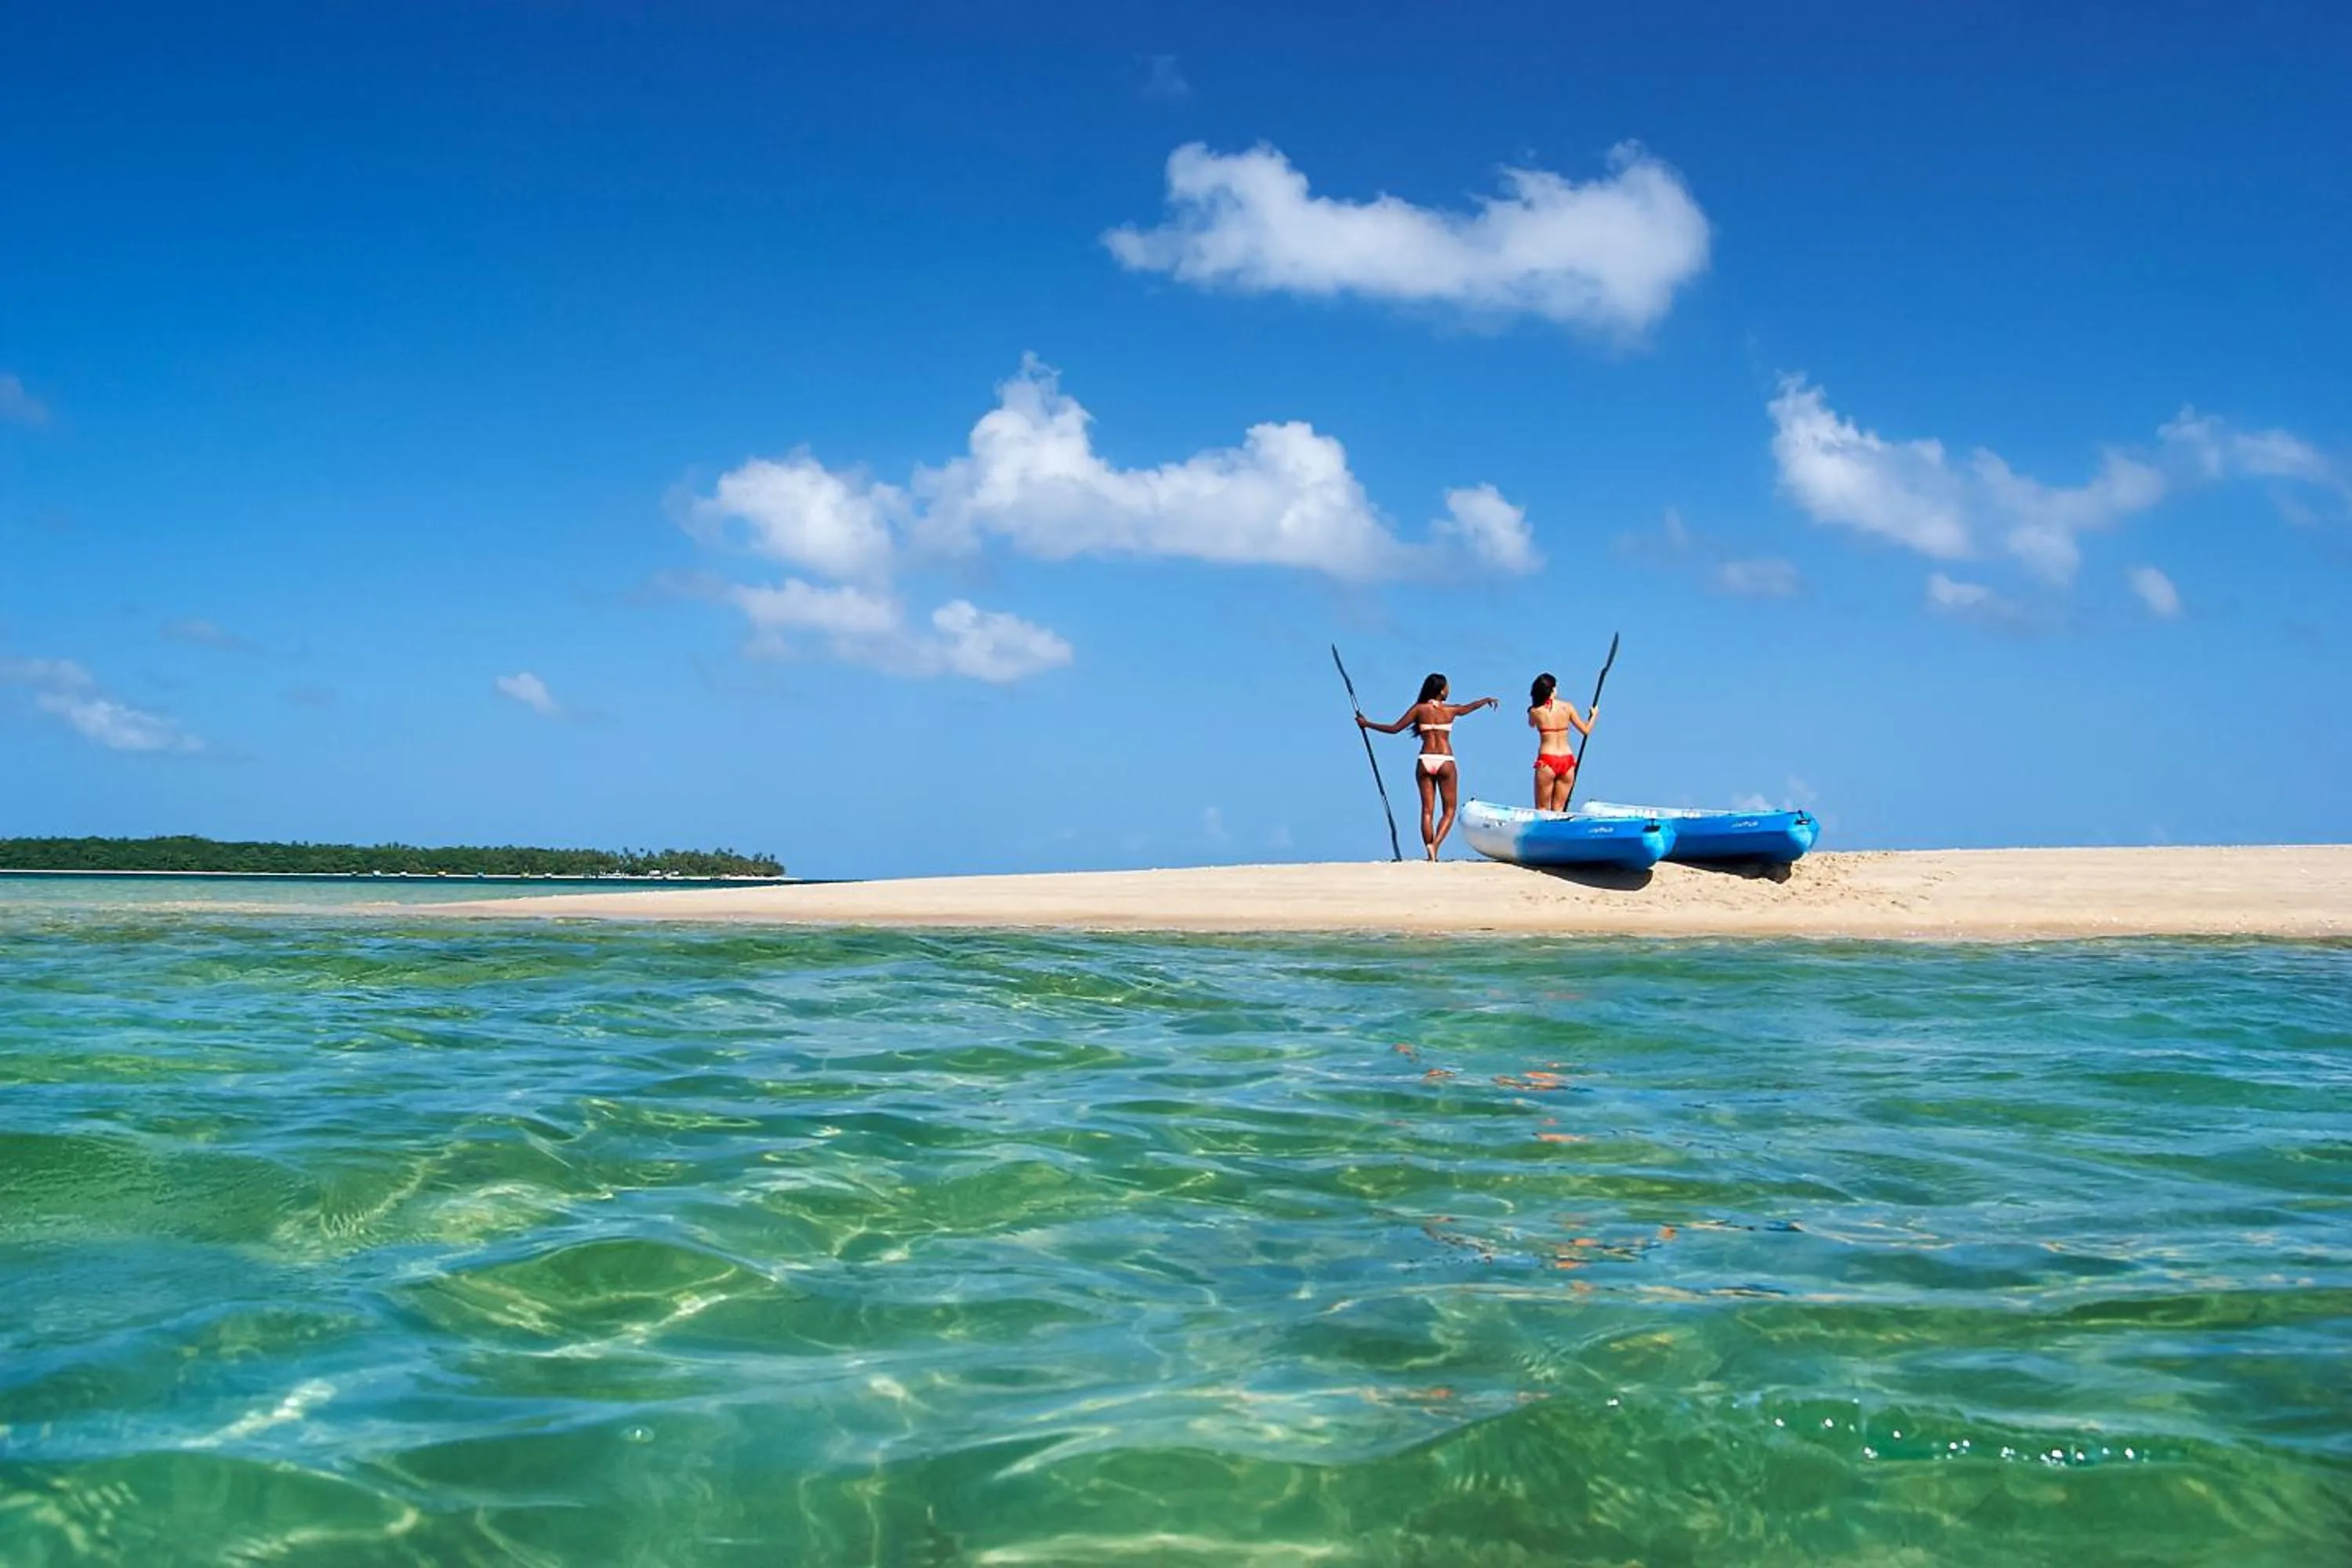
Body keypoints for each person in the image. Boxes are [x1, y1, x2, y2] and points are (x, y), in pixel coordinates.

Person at [1358, 673, 1498, 859]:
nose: (1449, 690)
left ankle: (1430, 852)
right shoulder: (1450, 711)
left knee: (1427, 810)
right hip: (1445, 760)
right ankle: (1435, 846)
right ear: (1441, 691)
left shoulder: (1419, 709)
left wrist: (1366, 724)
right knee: (1449, 810)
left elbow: (1394, 729)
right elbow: (1467, 708)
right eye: (1447, 687)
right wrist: (1486, 700)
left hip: (1425, 760)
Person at [1525, 672, 1596, 812]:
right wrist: (1594, 716)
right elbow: (1586, 730)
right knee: (1559, 808)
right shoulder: (1567, 707)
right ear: (1552, 690)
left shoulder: (1535, 712)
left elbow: (1531, 725)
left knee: (1542, 809)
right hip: (1567, 761)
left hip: (1547, 760)